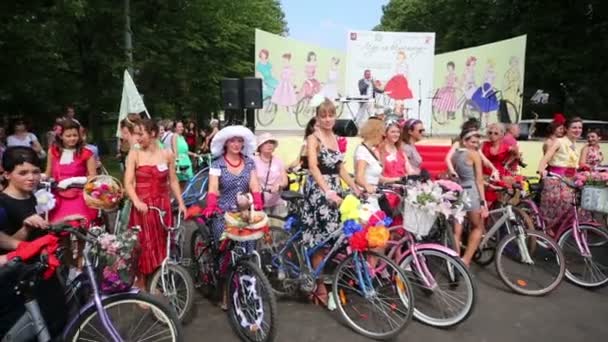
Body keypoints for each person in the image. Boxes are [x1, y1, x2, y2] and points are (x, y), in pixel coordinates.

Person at [0, 146, 66, 337]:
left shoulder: (32, 197)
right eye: (23, 173)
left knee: (54, 319)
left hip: (41, 272)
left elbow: (42, 228)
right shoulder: (3, 204)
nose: (31, 177)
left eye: (36, 172)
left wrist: (63, 224)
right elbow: (8, 243)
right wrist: (26, 229)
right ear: (6, 174)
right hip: (17, 280)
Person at [301, 98, 360, 307]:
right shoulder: (313, 138)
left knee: (339, 236)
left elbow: (340, 168)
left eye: (331, 115)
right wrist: (326, 191)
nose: (327, 119)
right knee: (320, 241)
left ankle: (328, 277)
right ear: (317, 117)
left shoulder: (336, 137)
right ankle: (319, 285)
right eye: (323, 115)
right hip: (319, 190)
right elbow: (314, 167)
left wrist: (354, 187)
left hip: (335, 188)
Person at [203, 125, 262, 308]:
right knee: (224, 250)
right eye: (232, 141)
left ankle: (247, 288)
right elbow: (213, 188)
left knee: (249, 249)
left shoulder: (249, 162)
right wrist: (212, 204)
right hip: (223, 212)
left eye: (239, 141)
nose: (236, 144)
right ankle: (226, 291)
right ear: (225, 143)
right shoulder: (217, 164)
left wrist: (258, 201)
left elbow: (254, 185)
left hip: (244, 211)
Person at [124, 119, 186, 291]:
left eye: (140, 133)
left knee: (162, 242)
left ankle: (158, 276)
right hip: (143, 207)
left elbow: (173, 180)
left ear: (152, 133)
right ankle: (141, 281)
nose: (137, 138)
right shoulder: (135, 154)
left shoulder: (167, 154)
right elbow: (128, 183)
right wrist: (136, 201)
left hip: (162, 205)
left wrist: (181, 203)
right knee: (144, 244)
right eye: (136, 133)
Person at [537, 117, 589, 235]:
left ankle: (565, 231)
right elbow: (546, 158)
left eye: (580, 127)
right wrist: (541, 170)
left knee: (579, 204)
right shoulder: (559, 141)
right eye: (574, 127)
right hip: (557, 179)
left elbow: (572, 164)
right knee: (564, 202)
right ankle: (548, 229)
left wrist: (583, 172)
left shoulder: (574, 144)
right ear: (566, 129)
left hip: (570, 180)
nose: (577, 130)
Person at [45, 119, 97, 225]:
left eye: (75, 135)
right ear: (61, 136)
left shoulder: (86, 153)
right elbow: (48, 173)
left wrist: (72, 180)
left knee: (80, 226)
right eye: (68, 136)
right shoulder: (53, 152)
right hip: (58, 195)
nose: (72, 139)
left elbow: (93, 177)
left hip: (79, 195)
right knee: (60, 228)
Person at [451, 128, 488, 266]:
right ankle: (465, 260)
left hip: (458, 192)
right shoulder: (474, 155)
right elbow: (479, 180)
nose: (476, 144)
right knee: (478, 227)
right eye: (473, 142)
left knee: (456, 230)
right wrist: (483, 201)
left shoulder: (455, 155)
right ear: (464, 142)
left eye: (477, 142)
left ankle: (454, 260)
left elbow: (452, 174)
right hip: (471, 192)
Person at [354, 118, 385, 213]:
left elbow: (378, 177)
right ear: (376, 133)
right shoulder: (362, 151)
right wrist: (367, 186)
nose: (383, 136)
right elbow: (359, 177)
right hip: (367, 198)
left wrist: (398, 179)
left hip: (373, 196)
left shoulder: (370, 151)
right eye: (382, 134)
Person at [254, 133, 288, 216]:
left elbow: (285, 181)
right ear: (260, 146)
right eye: (266, 143)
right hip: (260, 200)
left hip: (277, 200)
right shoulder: (253, 161)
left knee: (279, 226)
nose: (269, 145)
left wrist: (279, 185)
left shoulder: (278, 161)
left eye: (271, 142)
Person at [172, 120, 196, 187]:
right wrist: (177, 163)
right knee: (180, 182)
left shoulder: (182, 137)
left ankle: (182, 196)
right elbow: (175, 150)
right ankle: (179, 196)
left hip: (186, 160)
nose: (181, 128)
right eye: (179, 127)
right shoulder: (175, 136)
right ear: (175, 128)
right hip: (180, 161)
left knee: (186, 183)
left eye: (182, 126)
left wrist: (194, 154)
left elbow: (185, 151)